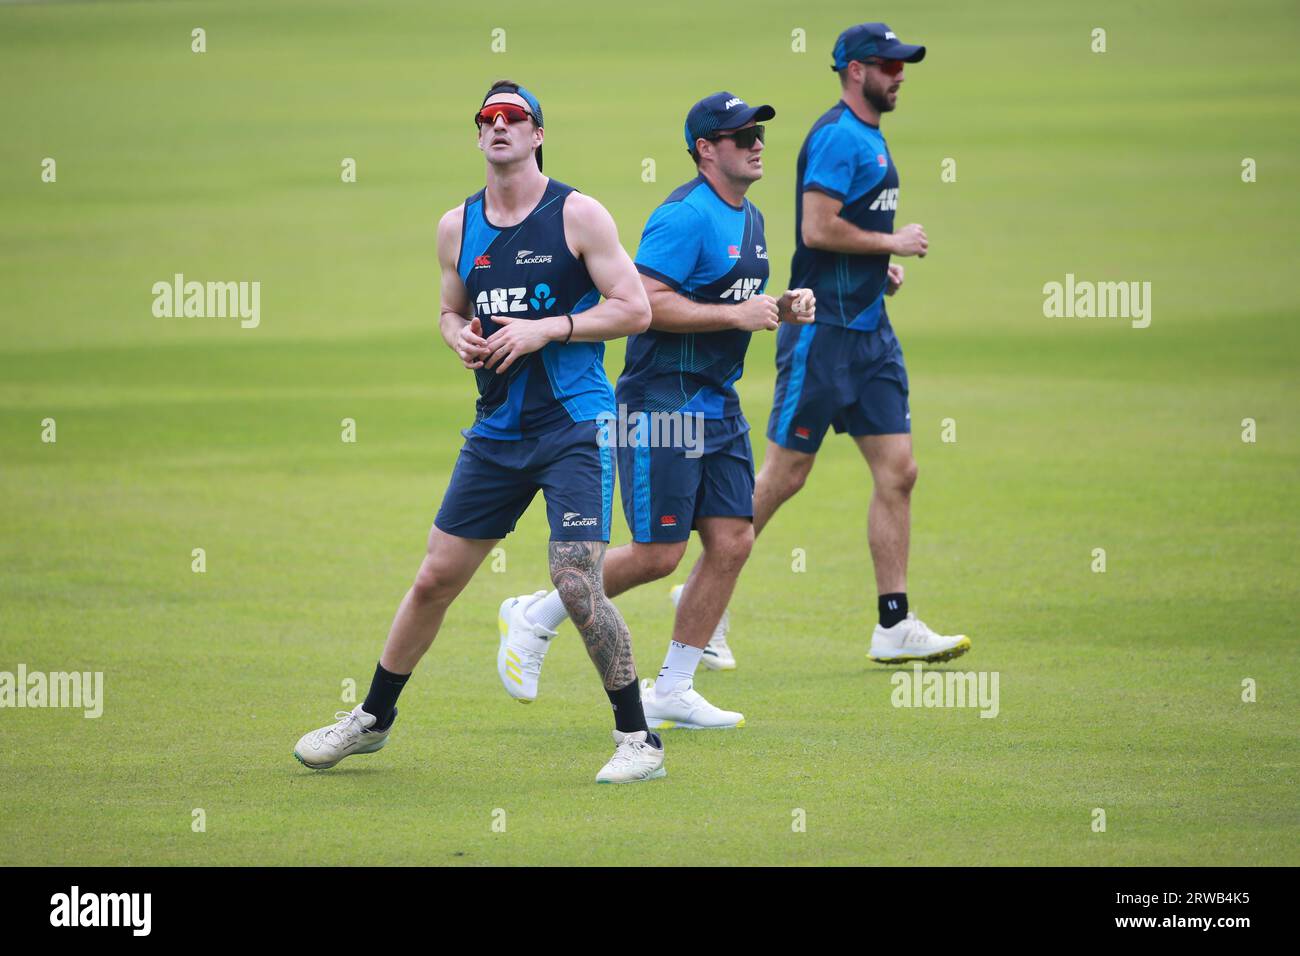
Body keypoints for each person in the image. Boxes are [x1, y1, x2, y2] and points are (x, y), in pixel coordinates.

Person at [294, 80, 666, 784]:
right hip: (497, 430)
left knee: (577, 582)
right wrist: (457, 335)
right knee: (435, 577)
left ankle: (638, 740)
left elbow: (636, 310)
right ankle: (371, 720)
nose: (499, 126)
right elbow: (447, 310)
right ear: (478, 137)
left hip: (574, 425)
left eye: (513, 117)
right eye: (487, 118)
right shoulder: (455, 227)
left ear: (536, 135)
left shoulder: (578, 215)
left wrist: (546, 329)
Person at [494, 92, 814, 727]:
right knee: (657, 554)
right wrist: (737, 315)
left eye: (758, 132)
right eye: (741, 134)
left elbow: (730, 297)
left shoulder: (748, 216)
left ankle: (674, 687)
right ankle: (535, 613)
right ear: (705, 150)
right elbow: (647, 303)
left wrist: (779, 305)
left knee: (733, 539)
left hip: (717, 402)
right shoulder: (683, 217)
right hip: (662, 403)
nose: (756, 143)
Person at [757, 23, 971, 664]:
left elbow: (846, 231)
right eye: (889, 65)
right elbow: (817, 228)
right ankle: (703, 602)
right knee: (786, 475)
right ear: (855, 70)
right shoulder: (837, 137)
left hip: (870, 330)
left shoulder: (869, 137)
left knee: (899, 472)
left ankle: (893, 625)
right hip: (820, 331)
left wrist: (880, 270)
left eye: (904, 64)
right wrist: (891, 243)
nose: (900, 74)